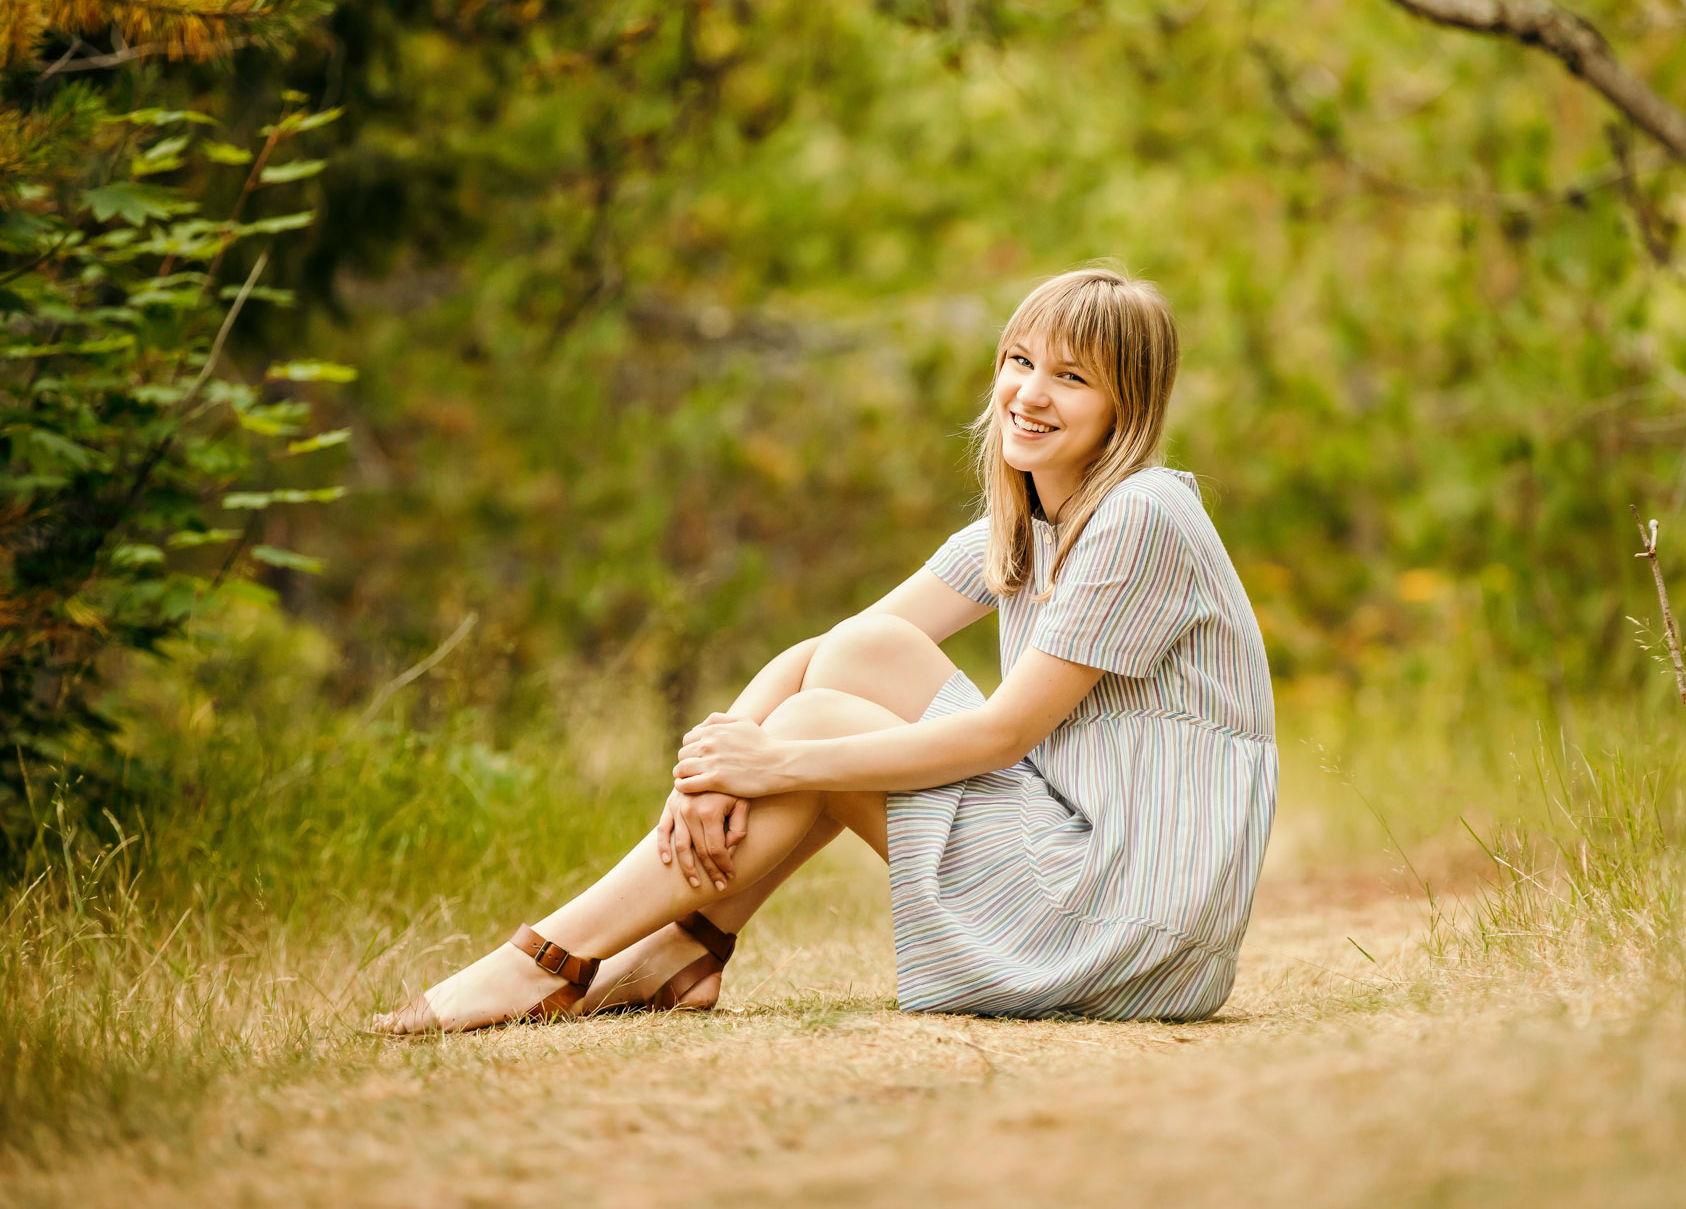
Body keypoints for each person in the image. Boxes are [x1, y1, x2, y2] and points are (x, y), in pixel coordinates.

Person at [370, 266, 1277, 1033]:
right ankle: (691, 948)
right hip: (1086, 882)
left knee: (812, 719)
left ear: (1129, 405)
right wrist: (714, 770)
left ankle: (549, 956)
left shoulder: (1144, 515)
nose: (1028, 393)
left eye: (1071, 378)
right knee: (856, 658)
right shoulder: (1030, 522)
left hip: (1127, 925)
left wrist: (773, 759)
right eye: (1018, 360)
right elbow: (832, 649)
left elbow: (1001, 736)